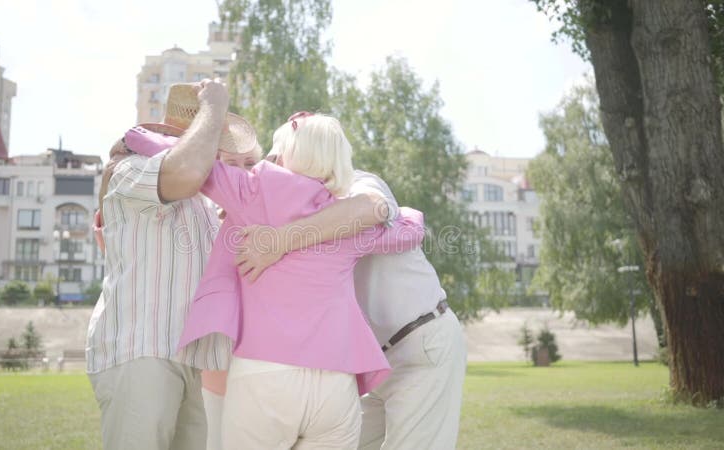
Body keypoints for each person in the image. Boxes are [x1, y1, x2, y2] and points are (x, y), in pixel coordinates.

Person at [176, 113, 427, 449]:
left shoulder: (248, 195)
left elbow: (182, 161)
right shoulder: (348, 220)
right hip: (336, 381)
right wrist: (385, 210)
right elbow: (411, 230)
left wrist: (149, 133)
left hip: (263, 374)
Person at [235, 137, 468, 450]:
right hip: (376, 364)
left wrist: (280, 241)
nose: (275, 170)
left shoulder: (359, 183)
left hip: (420, 344)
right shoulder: (297, 212)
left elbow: (370, 208)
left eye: (281, 159)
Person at [85, 79, 257, 450]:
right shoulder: (129, 168)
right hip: (139, 352)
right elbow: (187, 172)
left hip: (184, 360)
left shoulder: (202, 205)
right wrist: (214, 104)